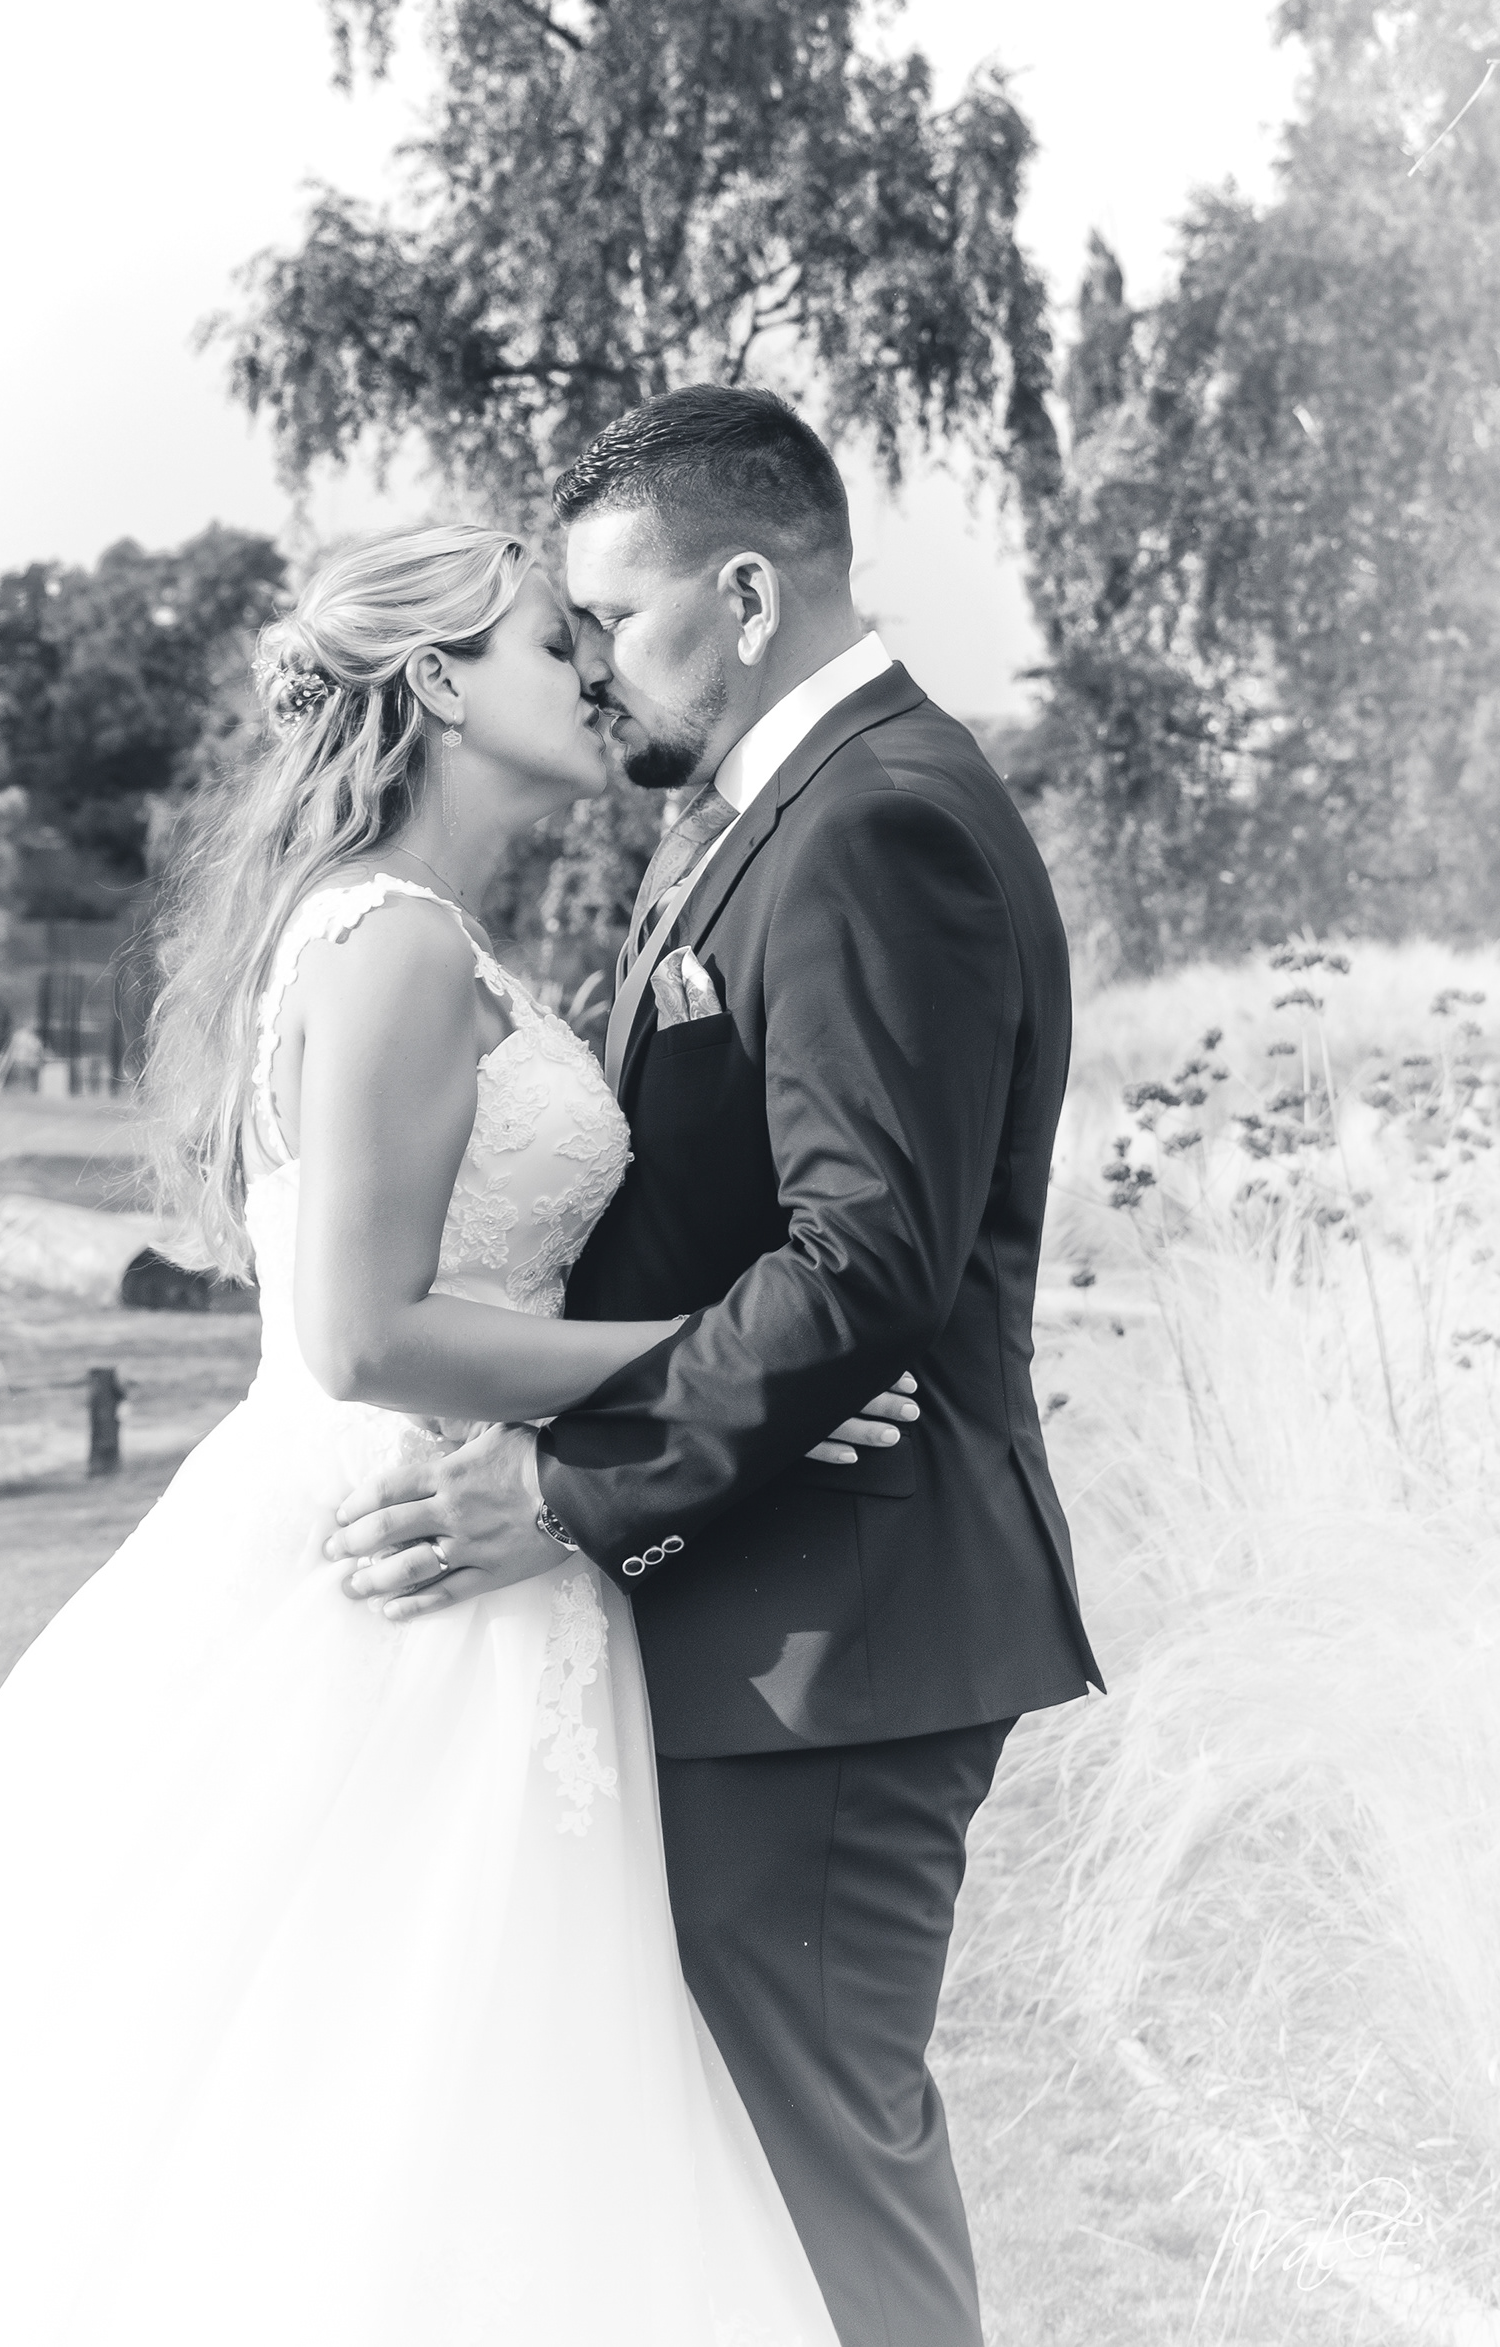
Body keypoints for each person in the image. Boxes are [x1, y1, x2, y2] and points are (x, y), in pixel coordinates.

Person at [0, 522, 909, 2347]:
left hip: (469, 1547)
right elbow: (361, 1336)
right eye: (552, 644)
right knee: (327, 2086)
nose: (595, 672)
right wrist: (720, 1364)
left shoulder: (427, 938)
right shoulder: (393, 947)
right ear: (438, 683)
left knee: (421, 2099)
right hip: (394, 1567)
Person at [328, 391, 1103, 2347]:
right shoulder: (759, 817)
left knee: (816, 2189)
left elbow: (866, 1265)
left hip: (834, 1633)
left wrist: (562, 1488)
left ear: (745, 595)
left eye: (608, 616)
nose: (590, 664)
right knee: (712, 2202)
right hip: (753, 1612)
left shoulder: (875, 821)